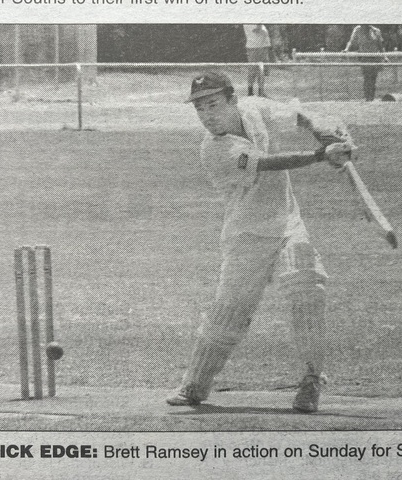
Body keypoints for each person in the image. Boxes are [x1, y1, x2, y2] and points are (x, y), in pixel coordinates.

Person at [165, 72, 355, 413]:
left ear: (232, 100)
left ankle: (312, 379)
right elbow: (269, 164)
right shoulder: (214, 149)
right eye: (199, 109)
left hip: (288, 224)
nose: (207, 116)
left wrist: (320, 129)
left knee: (308, 288)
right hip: (247, 235)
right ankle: (194, 383)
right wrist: (322, 154)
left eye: (213, 105)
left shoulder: (254, 108)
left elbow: (296, 115)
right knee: (229, 313)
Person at [344, 25, 388, 101]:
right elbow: (351, 41)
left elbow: (380, 45)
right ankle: (367, 98)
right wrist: (346, 49)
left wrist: (384, 56)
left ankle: (371, 98)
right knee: (367, 78)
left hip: (375, 58)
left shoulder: (376, 31)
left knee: (373, 79)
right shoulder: (357, 30)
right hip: (364, 58)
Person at [243, 24, 271, 97]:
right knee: (255, 69)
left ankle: (259, 92)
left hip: (261, 46)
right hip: (256, 46)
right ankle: (251, 92)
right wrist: (261, 29)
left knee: (260, 70)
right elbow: (257, 29)